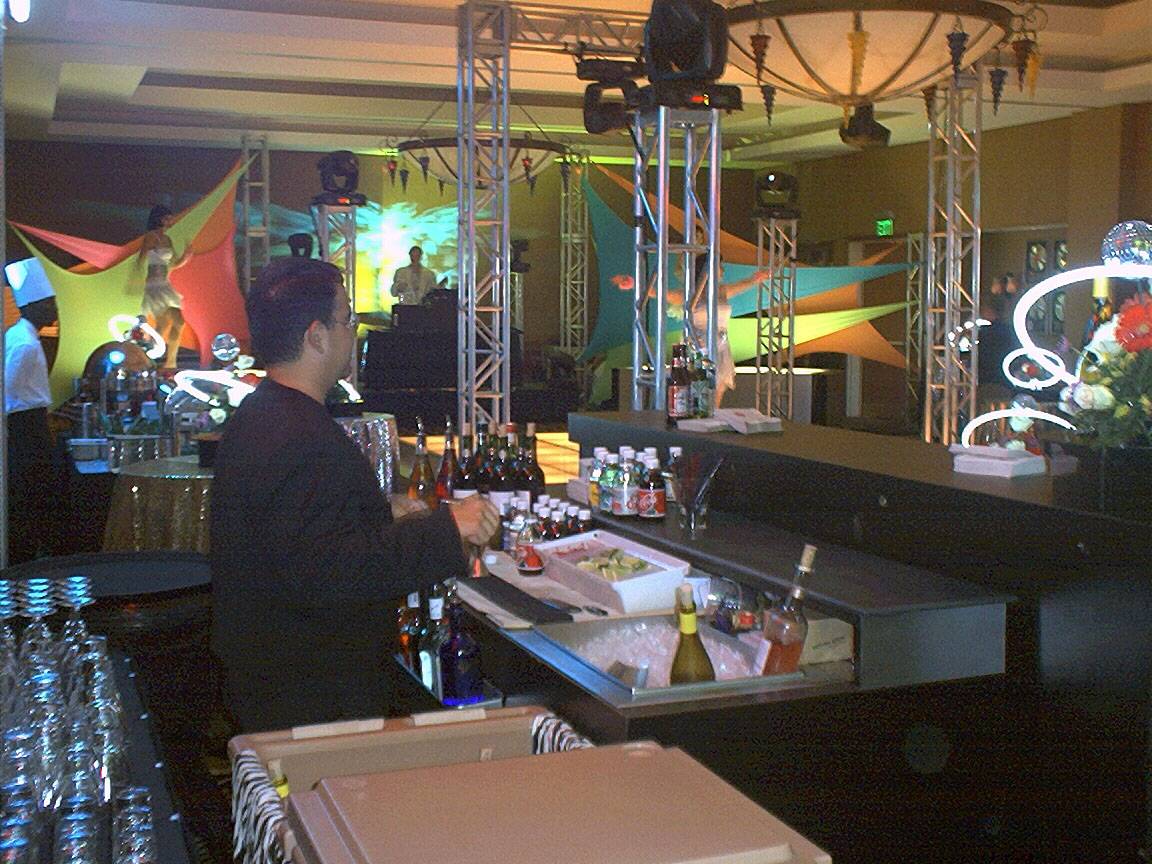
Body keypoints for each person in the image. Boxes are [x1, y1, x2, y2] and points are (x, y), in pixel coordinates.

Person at [210, 257, 497, 732]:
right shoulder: (299, 435)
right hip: (310, 693)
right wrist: (449, 527)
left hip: (279, 678)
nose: (353, 332)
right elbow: (334, 571)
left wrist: (378, 512)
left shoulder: (265, 413)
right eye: (347, 319)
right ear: (316, 336)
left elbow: (294, 534)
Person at [3, 285, 54, 564]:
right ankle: (24, 557)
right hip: (27, 426)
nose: (53, 309)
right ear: (30, 307)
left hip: (26, 423)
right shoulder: (25, 343)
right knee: (30, 489)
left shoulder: (20, 334)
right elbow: (8, 387)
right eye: (48, 303)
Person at [688, 255, 769, 408]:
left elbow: (744, 284)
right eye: (720, 266)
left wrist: (756, 278)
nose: (723, 270)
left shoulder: (722, 291)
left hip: (720, 344)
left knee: (718, 388)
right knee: (700, 389)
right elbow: (668, 295)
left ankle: (712, 418)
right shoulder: (692, 292)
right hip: (700, 344)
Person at [138, 205, 191, 368]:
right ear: (159, 219)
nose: (170, 221)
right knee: (171, 323)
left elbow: (173, 263)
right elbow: (140, 260)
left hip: (165, 285)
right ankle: (159, 361)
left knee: (170, 324)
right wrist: (135, 281)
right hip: (154, 286)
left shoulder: (167, 239)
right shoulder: (151, 237)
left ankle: (165, 362)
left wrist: (186, 257)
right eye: (167, 218)